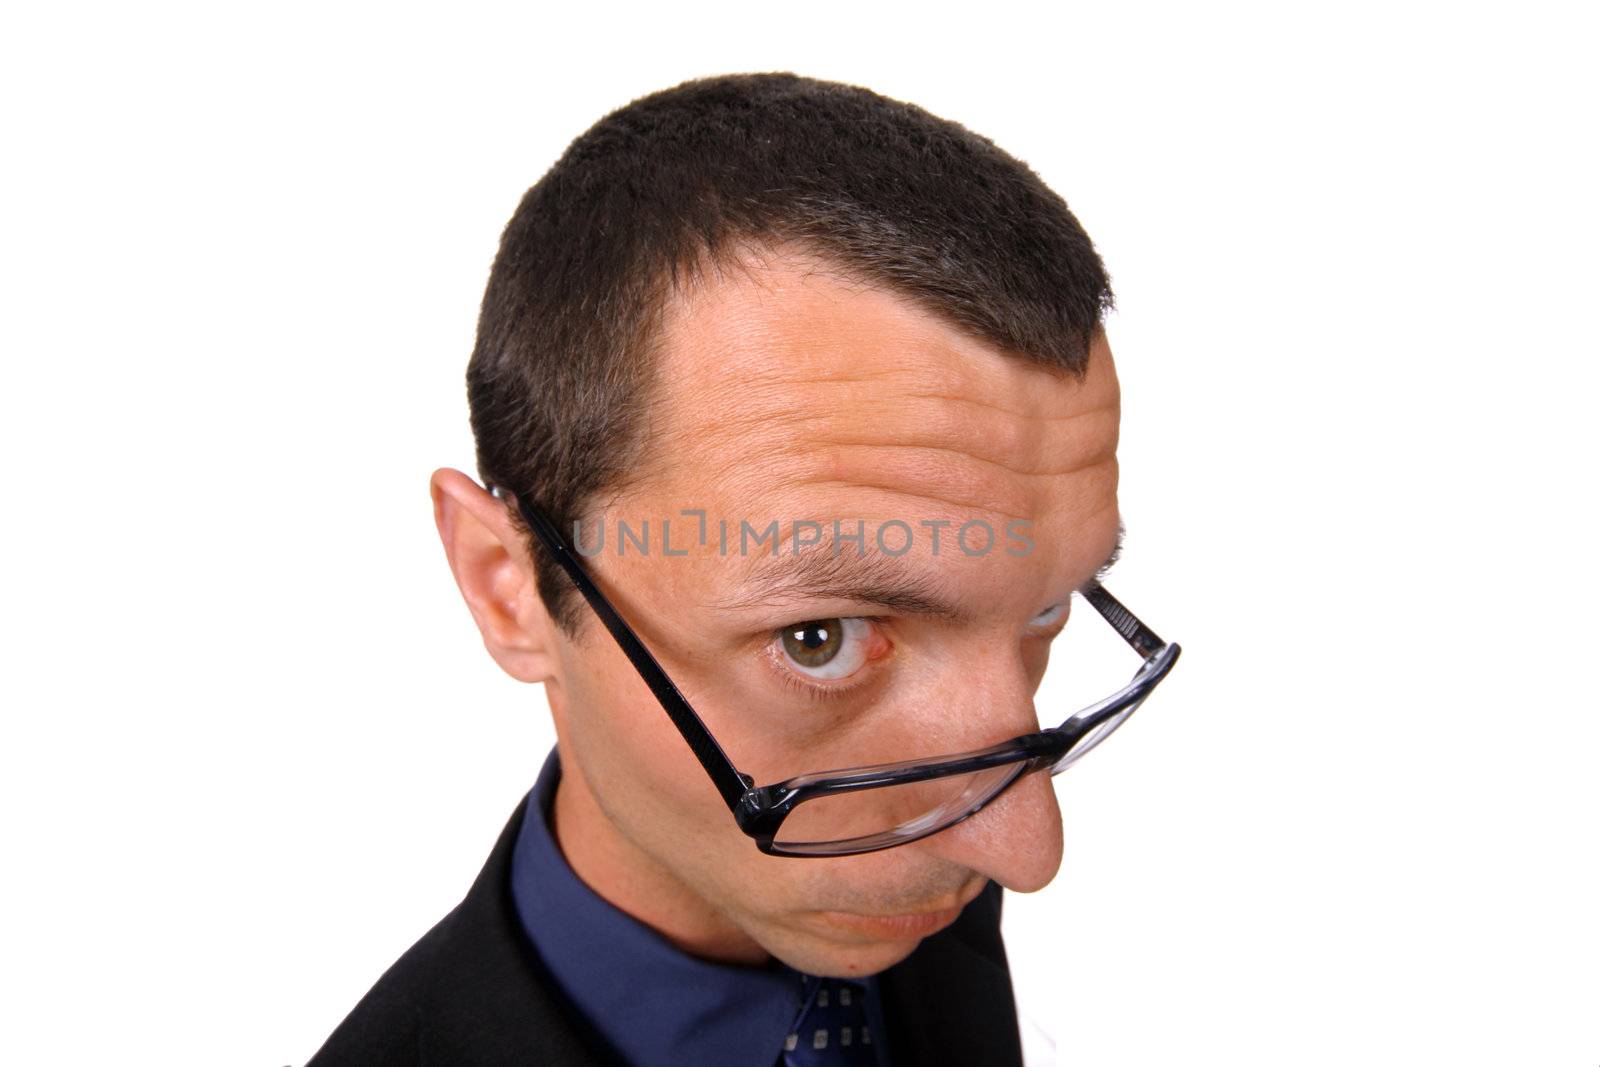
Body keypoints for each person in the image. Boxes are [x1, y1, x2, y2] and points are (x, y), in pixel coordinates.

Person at [305, 71, 1180, 1067]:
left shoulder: (915, 890)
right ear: (507, 585)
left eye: (1043, 606)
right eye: (820, 640)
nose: (1022, 849)